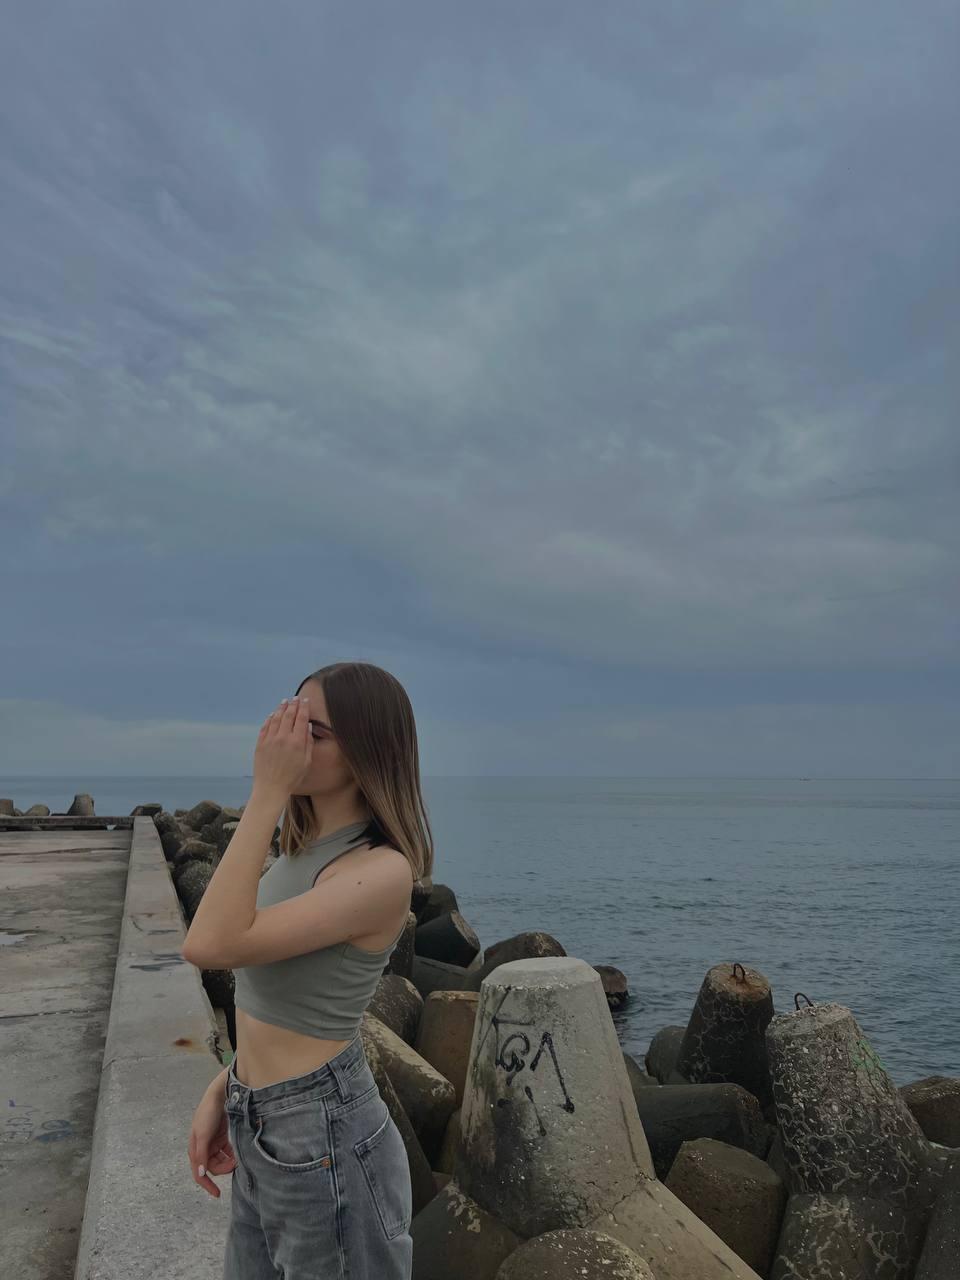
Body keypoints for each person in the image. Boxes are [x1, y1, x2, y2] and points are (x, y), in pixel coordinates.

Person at [181, 661, 433, 1280]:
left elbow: (210, 943)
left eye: (312, 732)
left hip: (323, 1134)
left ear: (366, 750)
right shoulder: (299, 853)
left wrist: (267, 790)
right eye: (288, 722)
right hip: (262, 1118)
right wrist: (228, 1088)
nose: (290, 743)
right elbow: (279, 1004)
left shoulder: (381, 872)